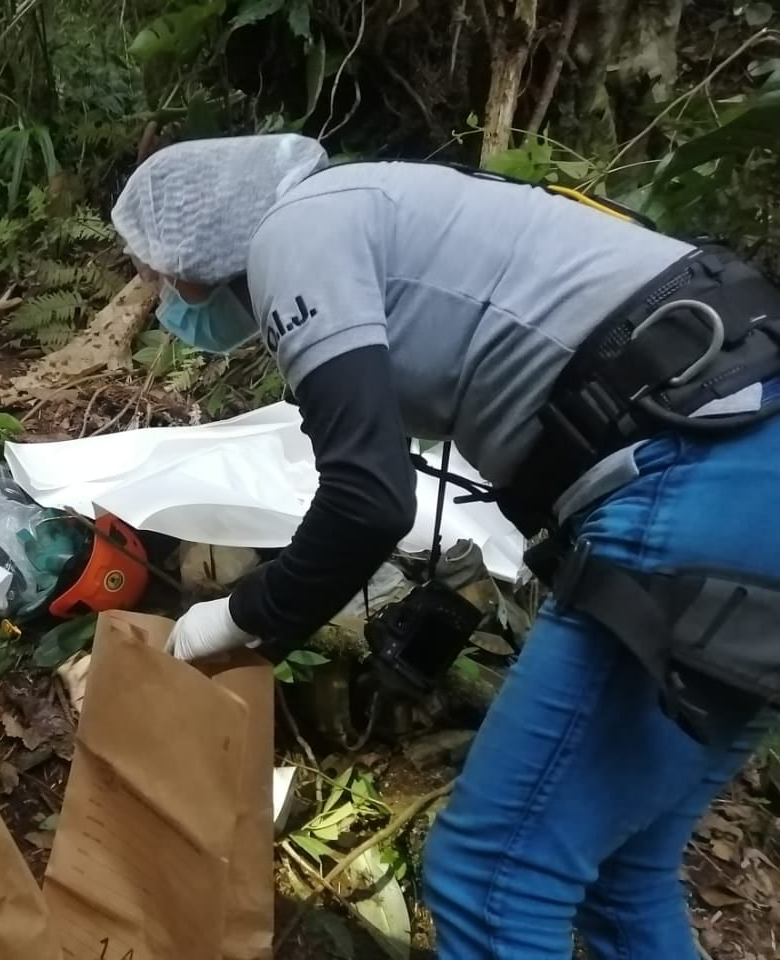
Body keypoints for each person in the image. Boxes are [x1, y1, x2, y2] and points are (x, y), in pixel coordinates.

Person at [109, 133, 780, 960]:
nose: (165, 296)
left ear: (193, 247)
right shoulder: (382, 205)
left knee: (490, 877)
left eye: (155, 272)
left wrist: (236, 619)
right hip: (746, 460)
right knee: (620, 876)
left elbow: (367, 499)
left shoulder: (296, 233)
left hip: (693, 478)